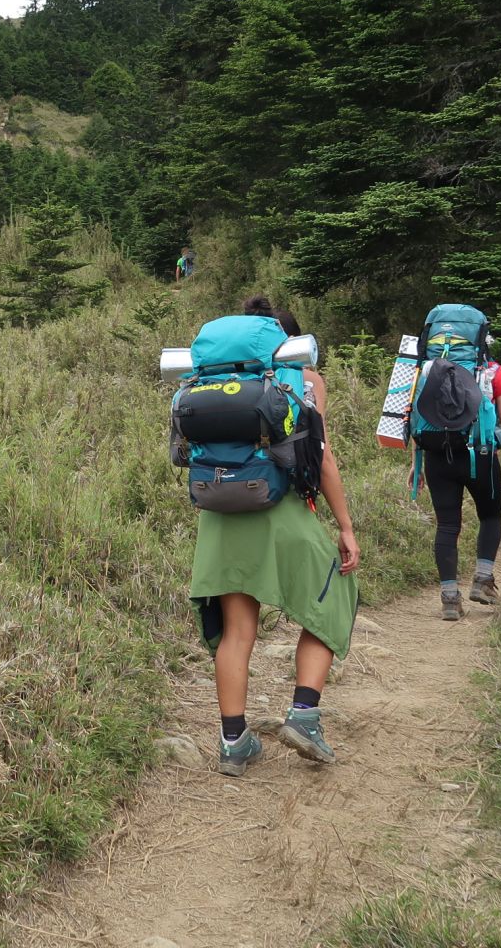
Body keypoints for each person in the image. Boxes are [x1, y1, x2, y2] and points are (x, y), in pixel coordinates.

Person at [192, 295, 361, 776]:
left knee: (238, 631)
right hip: (281, 508)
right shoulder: (304, 380)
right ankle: (304, 716)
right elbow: (321, 455)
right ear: (290, 346)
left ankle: (233, 744)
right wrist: (345, 528)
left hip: (219, 514)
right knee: (333, 594)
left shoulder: (208, 382)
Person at [416, 319, 501, 620]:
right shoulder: (493, 373)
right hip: (480, 455)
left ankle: (449, 598)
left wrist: (416, 465)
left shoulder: (425, 371)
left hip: (436, 456)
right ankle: (483, 581)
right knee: (491, 515)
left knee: (446, 525)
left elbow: (419, 419)